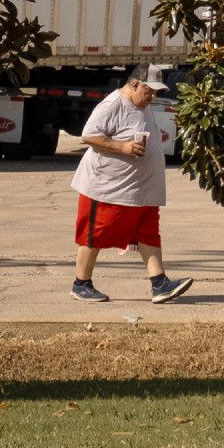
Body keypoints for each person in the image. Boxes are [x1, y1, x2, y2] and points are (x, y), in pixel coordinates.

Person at [69, 67, 193, 303]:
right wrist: (123, 147)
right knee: (94, 236)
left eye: (156, 92)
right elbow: (89, 135)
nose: (152, 97)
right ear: (134, 84)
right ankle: (81, 284)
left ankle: (160, 284)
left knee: (149, 235)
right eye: (149, 91)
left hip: (140, 191)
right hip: (107, 189)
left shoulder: (142, 104)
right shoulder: (112, 105)